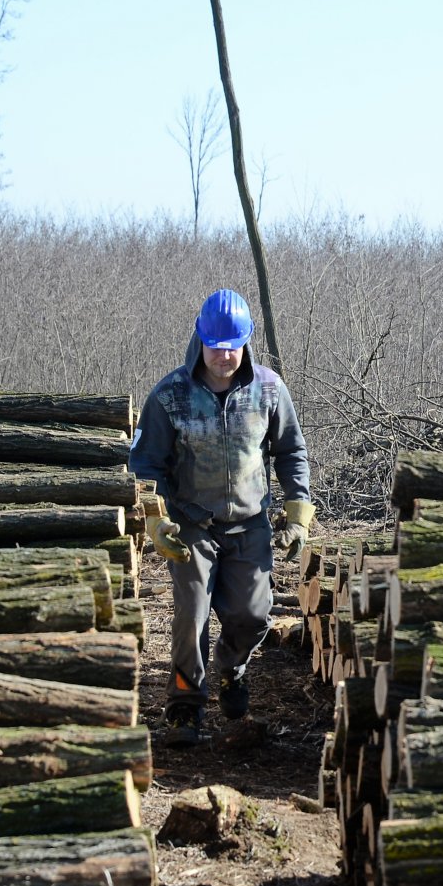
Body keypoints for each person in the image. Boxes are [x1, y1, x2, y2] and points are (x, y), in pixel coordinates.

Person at [129, 289, 314, 736]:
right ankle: (185, 703)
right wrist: (155, 518)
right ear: (201, 338)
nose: (225, 356)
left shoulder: (269, 389)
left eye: (233, 346)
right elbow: (144, 463)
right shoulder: (170, 395)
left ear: (246, 342)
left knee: (251, 615)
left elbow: (291, 451)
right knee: (191, 616)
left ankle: (232, 670)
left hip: (249, 525)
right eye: (216, 346)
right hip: (191, 526)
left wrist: (298, 512)